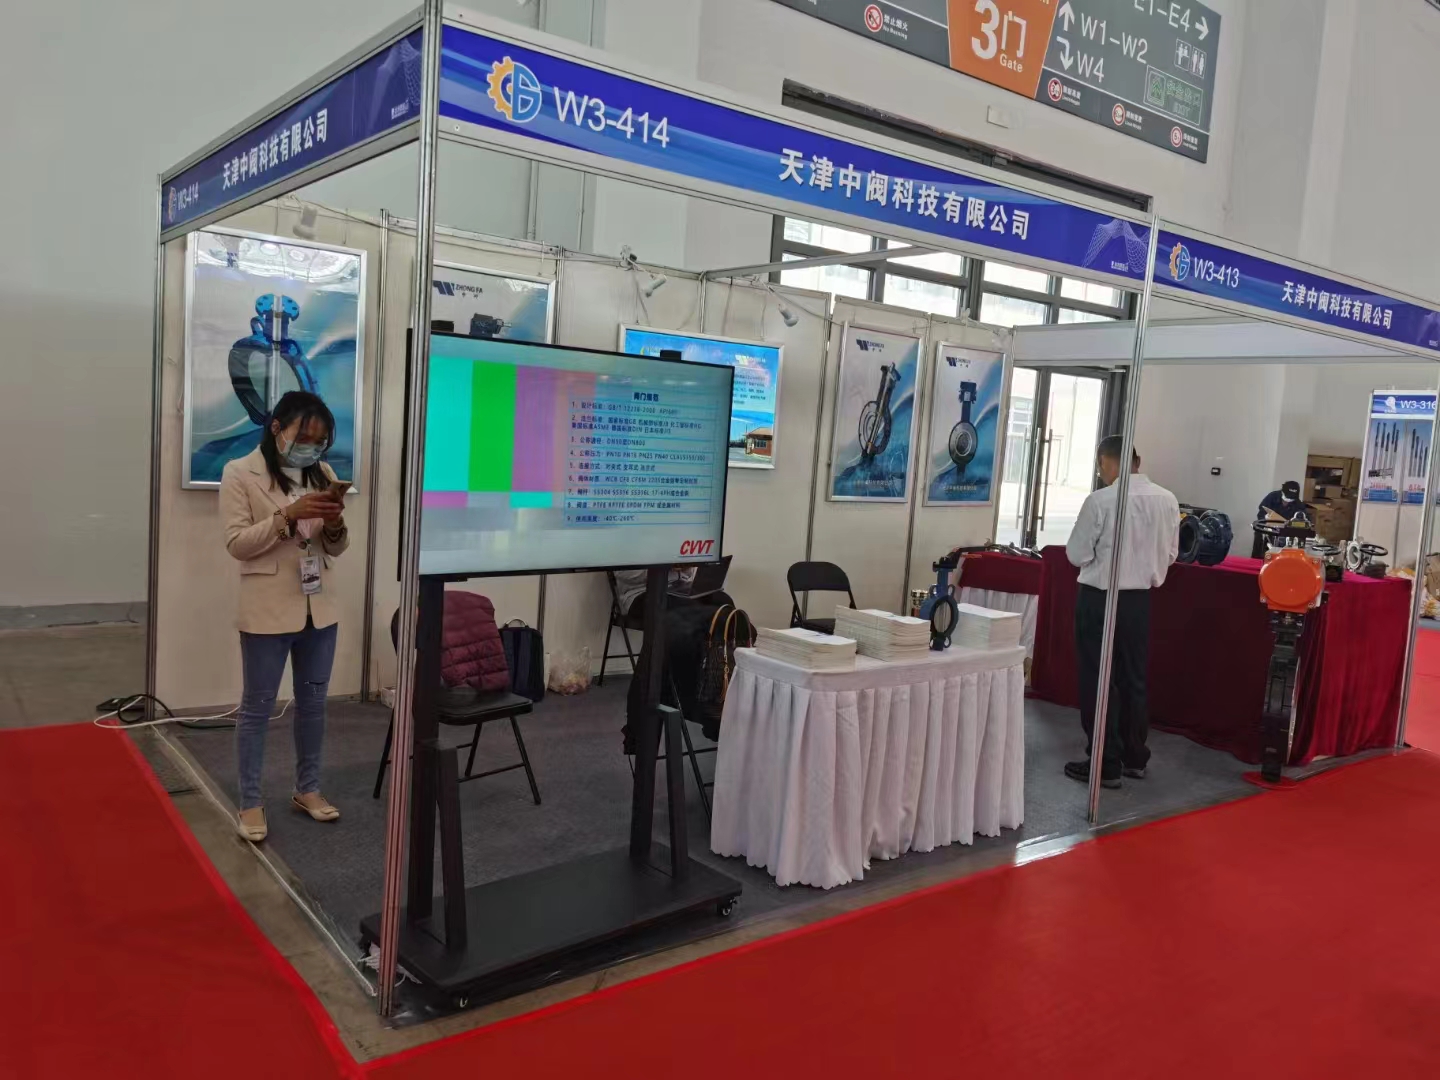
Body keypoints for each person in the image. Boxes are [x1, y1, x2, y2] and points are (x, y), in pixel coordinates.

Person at [220, 391, 349, 842]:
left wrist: (335, 524)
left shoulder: (323, 473)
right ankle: (250, 801)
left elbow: (335, 547)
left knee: (313, 705)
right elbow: (237, 544)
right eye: (304, 437)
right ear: (277, 428)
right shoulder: (239, 472)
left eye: (320, 441)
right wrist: (286, 516)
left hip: (320, 609)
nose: (311, 447)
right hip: (267, 611)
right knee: (257, 709)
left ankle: (307, 789)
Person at [1064, 436, 1179, 789]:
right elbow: (1171, 554)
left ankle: (1105, 761)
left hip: (1100, 598)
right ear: (1137, 462)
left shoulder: (1101, 500)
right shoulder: (1167, 500)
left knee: (1099, 679)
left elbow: (1076, 554)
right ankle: (1134, 755)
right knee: (1134, 677)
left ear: (1104, 462)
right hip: (1138, 601)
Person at [1251, 480, 1313, 557]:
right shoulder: (1272, 497)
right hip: (1265, 530)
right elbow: (1261, 512)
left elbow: (1306, 521)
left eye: (1291, 499)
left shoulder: (1298, 505)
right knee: (1259, 551)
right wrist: (1265, 518)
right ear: (1282, 492)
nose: (1288, 501)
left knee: (1280, 555)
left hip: (1284, 535)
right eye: (1287, 497)